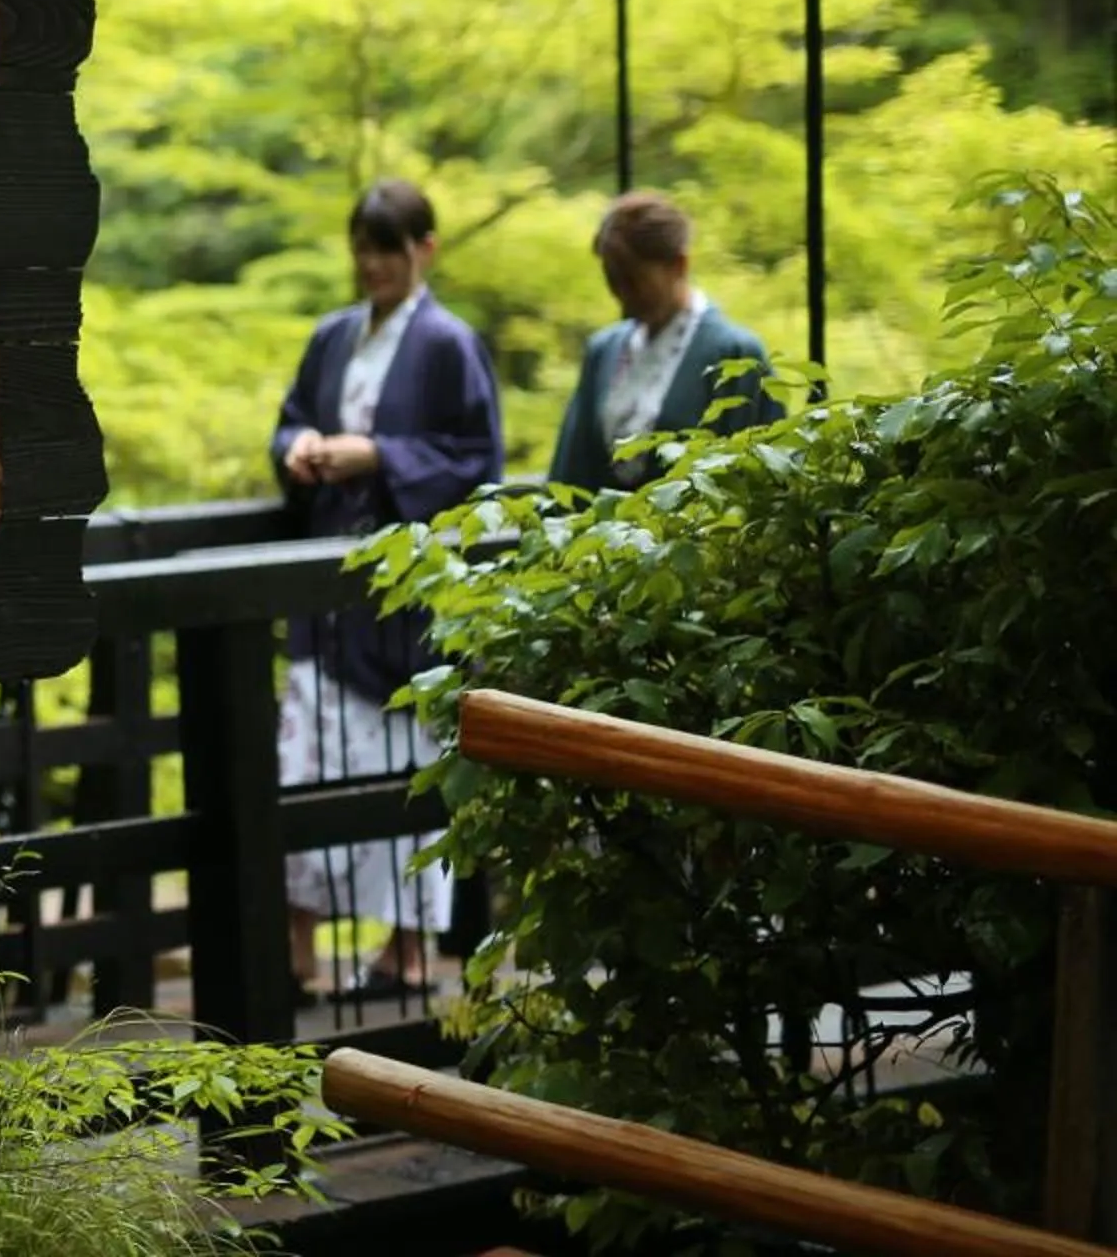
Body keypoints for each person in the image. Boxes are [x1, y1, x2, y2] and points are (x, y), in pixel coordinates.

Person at [269, 179, 504, 1004]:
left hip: (405, 598)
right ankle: (296, 950)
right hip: (326, 594)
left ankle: (406, 952)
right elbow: (291, 416)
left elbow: (477, 460)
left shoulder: (448, 344)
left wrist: (379, 456)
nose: (372, 266)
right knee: (302, 763)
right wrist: (300, 446)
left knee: (404, 765)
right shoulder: (332, 336)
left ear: (424, 250)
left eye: (387, 250)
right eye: (363, 250)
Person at [549, 190, 782, 492]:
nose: (623, 295)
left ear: (679, 265)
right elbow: (571, 474)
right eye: (613, 281)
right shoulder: (603, 351)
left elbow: (757, 481)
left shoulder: (734, 353)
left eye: (634, 281)